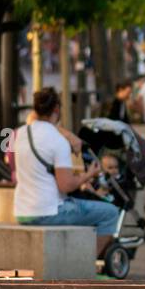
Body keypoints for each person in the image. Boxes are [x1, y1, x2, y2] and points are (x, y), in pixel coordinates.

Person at [13, 87, 121, 236]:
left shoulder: (20, 133)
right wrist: (89, 174)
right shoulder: (58, 141)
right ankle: (90, 258)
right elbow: (66, 186)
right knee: (110, 212)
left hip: (22, 211)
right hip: (48, 212)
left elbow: (35, 122)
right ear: (57, 109)